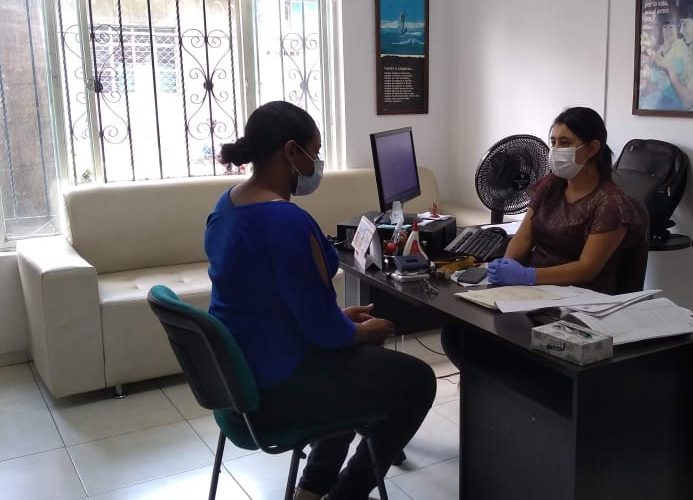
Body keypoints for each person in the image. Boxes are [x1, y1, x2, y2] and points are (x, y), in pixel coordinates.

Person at [205, 101, 436, 500]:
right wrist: (360, 332)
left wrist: (339, 320)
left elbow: (268, 302)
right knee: (417, 381)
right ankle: (347, 494)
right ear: (291, 152)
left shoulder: (226, 206)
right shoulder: (285, 222)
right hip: (274, 392)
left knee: (354, 368)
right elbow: (326, 334)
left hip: (237, 385)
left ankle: (312, 489)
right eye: (315, 152)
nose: (317, 164)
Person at [487, 107, 646, 294]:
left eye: (565, 143)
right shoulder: (550, 185)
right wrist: (508, 266)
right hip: (534, 290)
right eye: (553, 142)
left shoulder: (610, 203)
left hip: (582, 297)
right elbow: (524, 236)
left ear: (592, 148)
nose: (555, 150)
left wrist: (528, 276)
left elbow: (586, 269)